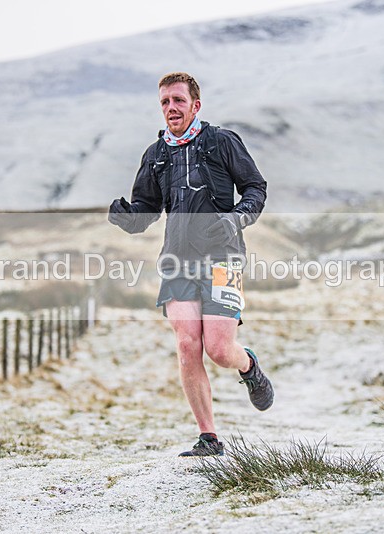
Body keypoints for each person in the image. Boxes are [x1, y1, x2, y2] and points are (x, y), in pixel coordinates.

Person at [107, 72, 273, 457]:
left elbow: (255, 188)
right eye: (165, 102)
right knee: (186, 344)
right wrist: (127, 217)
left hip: (224, 258)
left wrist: (235, 217)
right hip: (177, 261)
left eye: (178, 101)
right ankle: (209, 438)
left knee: (218, 349)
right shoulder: (156, 155)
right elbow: (146, 211)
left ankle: (248, 366)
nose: (171, 109)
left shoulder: (222, 142)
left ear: (195, 105)